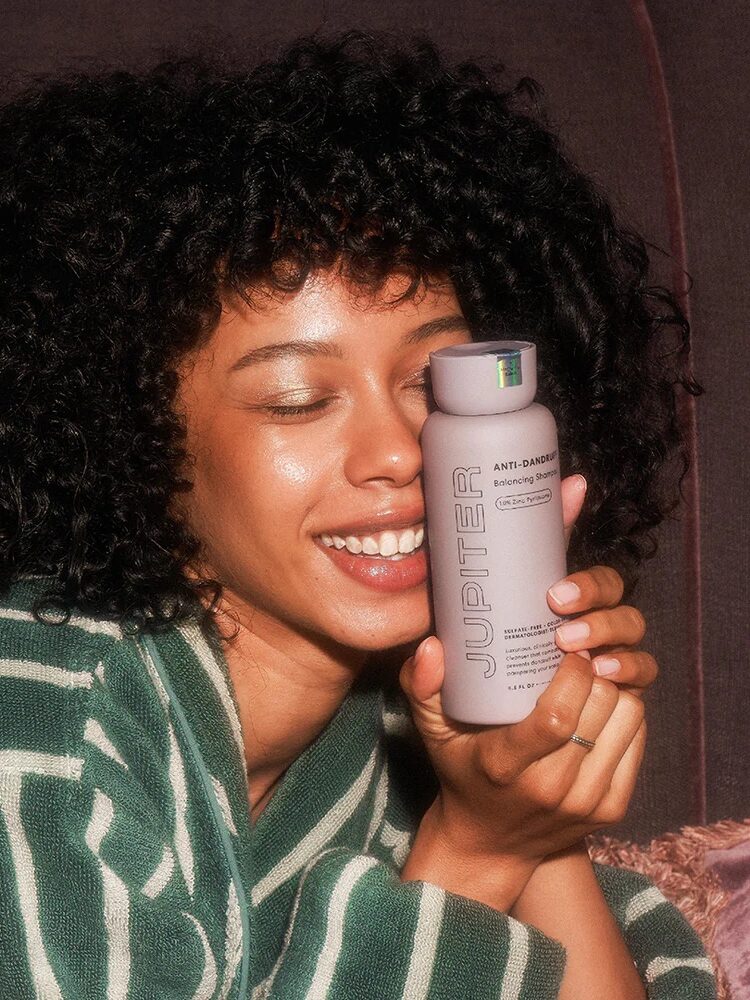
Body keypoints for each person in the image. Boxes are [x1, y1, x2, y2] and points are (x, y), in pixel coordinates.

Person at [0, 30, 716, 1000]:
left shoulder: (385, 723)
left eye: (435, 380)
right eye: (298, 398)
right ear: (126, 430)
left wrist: (527, 789)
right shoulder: (36, 725)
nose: (400, 454)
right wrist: (471, 853)